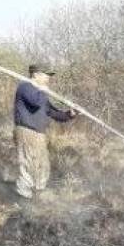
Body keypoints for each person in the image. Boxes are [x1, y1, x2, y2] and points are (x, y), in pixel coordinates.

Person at [12, 64, 77, 201]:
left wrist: (70, 114)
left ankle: (38, 194)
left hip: (39, 134)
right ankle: (23, 198)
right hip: (26, 131)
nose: (48, 78)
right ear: (35, 74)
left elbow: (53, 112)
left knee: (43, 164)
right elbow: (36, 102)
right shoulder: (26, 87)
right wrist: (43, 90)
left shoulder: (40, 92)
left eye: (49, 75)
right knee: (28, 163)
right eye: (46, 74)